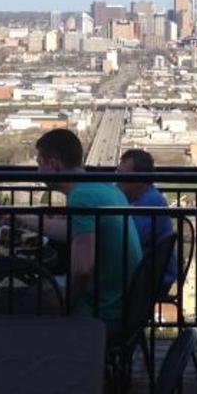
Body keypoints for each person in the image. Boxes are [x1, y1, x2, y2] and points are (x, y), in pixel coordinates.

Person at [27, 128, 143, 326]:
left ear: (53, 164)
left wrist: (66, 303)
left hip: (101, 311)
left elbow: (82, 269)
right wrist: (25, 218)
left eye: (39, 163)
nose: (37, 171)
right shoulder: (103, 188)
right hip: (125, 304)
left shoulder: (82, 197)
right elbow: (75, 233)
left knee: (22, 297)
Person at [116, 148, 178, 294]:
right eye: (118, 173)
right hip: (145, 272)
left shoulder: (151, 202)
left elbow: (128, 239)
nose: (118, 181)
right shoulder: (139, 198)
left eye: (123, 176)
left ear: (140, 179)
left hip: (152, 279)